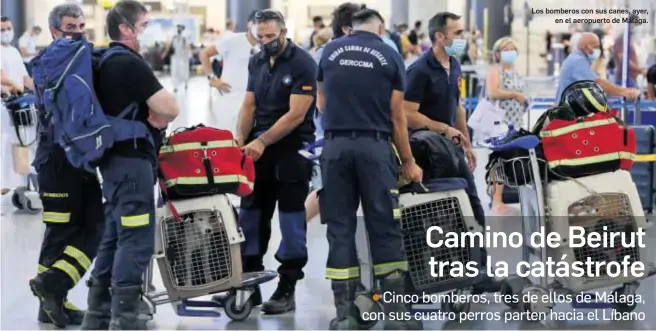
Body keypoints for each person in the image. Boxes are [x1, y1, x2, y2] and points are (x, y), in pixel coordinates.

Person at [317, 8, 423, 330]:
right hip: (374, 149)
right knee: (384, 228)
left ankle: (345, 314)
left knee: (339, 230)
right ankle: (395, 315)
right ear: (380, 28)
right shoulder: (389, 54)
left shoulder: (329, 50)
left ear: (352, 28)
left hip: (334, 148)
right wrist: (408, 160)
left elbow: (321, 102)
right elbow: (397, 117)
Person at [81, 1, 179, 329]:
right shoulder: (128, 63)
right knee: (136, 238)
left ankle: (96, 314)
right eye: (144, 25)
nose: (145, 33)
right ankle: (125, 318)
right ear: (126, 27)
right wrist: (159, 113)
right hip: (132, 165)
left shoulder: (101, 62)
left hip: (112, 164)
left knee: (114, 235)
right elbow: (170, 107)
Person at [403, 12, 501, 294]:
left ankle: (478, 273)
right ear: (439, 37)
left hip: (452, 149)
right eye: (457, 33)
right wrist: (443, 129)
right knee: (436, 214)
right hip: (427, 152)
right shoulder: (419, 71)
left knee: (473, 207)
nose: (463, 38)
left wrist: (466, 143)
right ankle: (427, 275)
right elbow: (406, 114)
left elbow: (458, 107)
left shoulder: (455, 65)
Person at [232, 9, 316, 315]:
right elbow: (248, 104)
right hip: (257, 151)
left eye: (271, 36)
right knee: (251, 217)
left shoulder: (303, 63)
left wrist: (262, 140)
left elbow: (296, 115)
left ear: (283, 32)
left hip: (292, 151)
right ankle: (249, 284)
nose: (265, 42)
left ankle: (287, 286)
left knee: (292, 221)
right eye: (260, 36)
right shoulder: (256, 60)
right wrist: (240, 140)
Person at [25, 4, 100, 328]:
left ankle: (53, 293)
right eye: (70, 26)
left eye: (81, 25)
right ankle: (53, 290)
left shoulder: (69, 60)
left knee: (88, 225)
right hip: (57, 160)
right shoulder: (54, 62)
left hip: (76, 158)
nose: (77, 32)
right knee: (65, 231)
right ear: (54, 30)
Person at [304, 2, 363, 224]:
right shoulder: (324, 55)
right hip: (330, 136)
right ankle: (294, 236)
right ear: (348, 29)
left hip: (350, 136)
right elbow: (321, 101)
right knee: (325, 191)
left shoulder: (353, 53)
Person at [484, 37, 526, 215]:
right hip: (499, 123)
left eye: (512, 48)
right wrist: (514, 94)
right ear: (497, 53)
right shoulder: (495, 71)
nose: (509, 52)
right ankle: (496, 200)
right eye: (505, 49)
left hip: (515, 123)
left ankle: (511, 197)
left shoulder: (516, 71)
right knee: (498, 161)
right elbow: (492, 92)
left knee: (513, 159)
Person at [200, 10, 259, 133]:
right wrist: (212, 79)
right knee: (228, 139)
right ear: (249, 24)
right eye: (256, 22)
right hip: (229, 97)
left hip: (251, 99)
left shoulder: (263, 46)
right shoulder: (234, 40)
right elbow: (205, 53)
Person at [1, 16, 34, 199]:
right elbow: (2, 77)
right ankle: (3, 183)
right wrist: (14, 87)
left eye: (8, 28)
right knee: (4, 141)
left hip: (18, 102)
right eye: (2, 29)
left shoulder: (13, 51)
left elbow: (24, 76)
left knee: (19, 140)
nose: (6, 32)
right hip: (4, 103)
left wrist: (37, 88)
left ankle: (17, 181)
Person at [556, 32, 639, 101]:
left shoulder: (580, 59)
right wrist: (624, 92)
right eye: (596, 47)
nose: (598, 50)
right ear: (585, 46)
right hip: (569, 115)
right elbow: (598, 83)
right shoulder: (578, 61)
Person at [612, 15, 647, 88]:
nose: (636, 27)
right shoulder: (622, 38)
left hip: (631, 78)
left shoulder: (629, 38)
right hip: (625, 79)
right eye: (636, 25)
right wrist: (640, 70)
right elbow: (623, 60)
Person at [162, 24, 191, 92]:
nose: (178, 30)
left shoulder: (184, 38)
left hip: (183, 57)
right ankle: (175, 86)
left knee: (183, 71)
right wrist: (164, 54)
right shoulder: (174, 37)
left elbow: (187, 47)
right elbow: (169, 46)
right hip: (175, 57)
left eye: (180, 28)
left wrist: (187, 56)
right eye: (178, 28)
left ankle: (185, 83)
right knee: (174, 71)